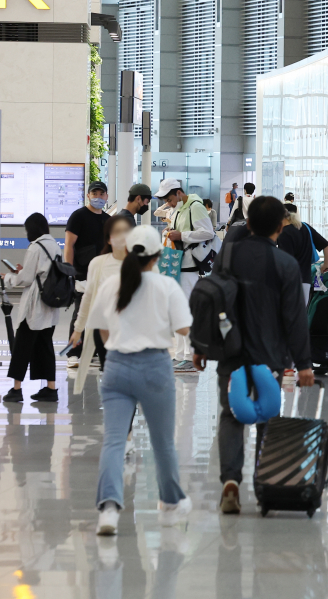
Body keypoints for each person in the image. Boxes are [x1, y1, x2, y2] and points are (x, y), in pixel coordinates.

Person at [192, 196, 314, 515]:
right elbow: (294, 318)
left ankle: (231, 482)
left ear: (247, 224)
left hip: (230, 351)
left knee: (231, 414)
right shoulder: (285, 264)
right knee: (268, 418)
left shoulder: (228, 255)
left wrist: (200, 346)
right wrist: (303, 364)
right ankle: (266, 482)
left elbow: (213, 300)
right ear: (280, 226)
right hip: (271, 355)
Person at [86, 225, 192, 536]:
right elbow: (185, 330)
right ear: (157, 255)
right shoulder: (166, 286)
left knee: (115, 441)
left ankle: (108, 509)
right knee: (162, 442)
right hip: (155, 367)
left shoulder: (110, 285)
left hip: (116, 367)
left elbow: (102, 331)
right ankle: (171, 504)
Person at [1, 213, 63, 403]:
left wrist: (9, 277)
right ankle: (51, 388)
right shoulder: (54, 245)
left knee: (22, 346)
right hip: (50, 304)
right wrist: (23, 270)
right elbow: (39, 272)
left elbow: (26, 279)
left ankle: (16, 389)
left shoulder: (35, 247)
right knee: (45, 346)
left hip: (34, 306)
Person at [155, 179, 216, 370]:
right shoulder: (179, 208)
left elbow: (208, 232)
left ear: (179, 193)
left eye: (169, 198)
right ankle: (181, 354)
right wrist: (171, 232)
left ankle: (190, 355)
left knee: (186, 311)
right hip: (179, 265)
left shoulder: (195, 207)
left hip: (189, 267)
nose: (169, 203)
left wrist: (182, 236)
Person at [69, 216, 133, 372]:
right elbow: (88, 298)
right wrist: (78, 330)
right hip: (104, 329)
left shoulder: (140, 264)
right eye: (117, 232)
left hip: (131, 330)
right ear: (109, 239)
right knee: (110, 373)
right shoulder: (98, 263)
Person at [64, 181, 111, 367]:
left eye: (101, 194)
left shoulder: (108, 220)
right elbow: (69, 244)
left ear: (106, 197)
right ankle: (73, 353)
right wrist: (69, 270)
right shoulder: (78, 216)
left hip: (104, 276)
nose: (98, 197)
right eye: (94, 193)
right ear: (88, 196)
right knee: (80, 314)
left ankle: (94, 351)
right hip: (82, 273)